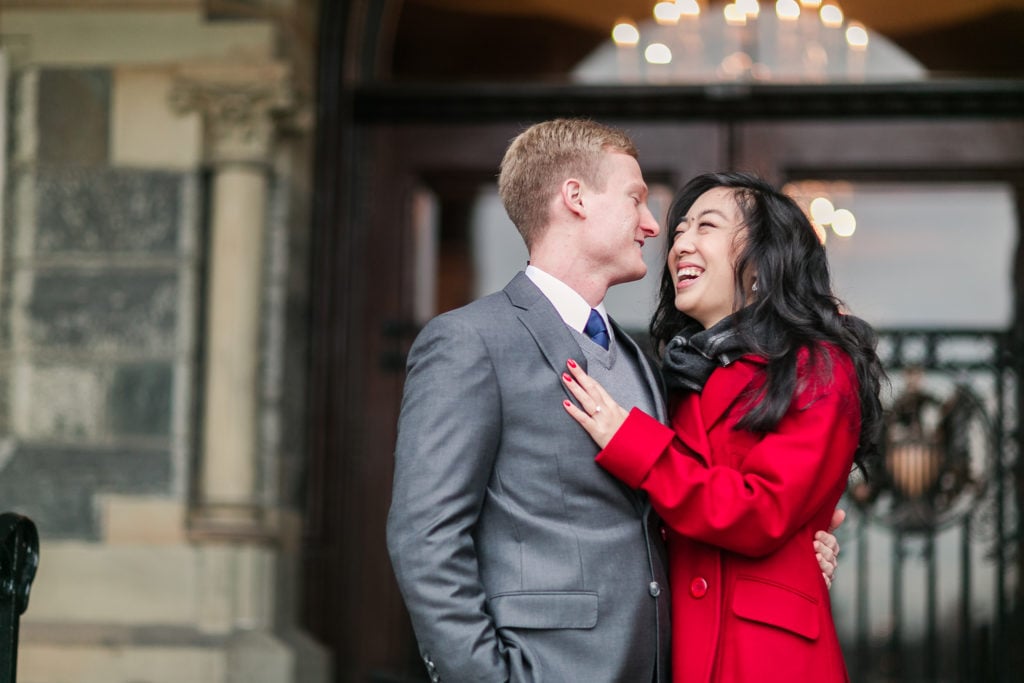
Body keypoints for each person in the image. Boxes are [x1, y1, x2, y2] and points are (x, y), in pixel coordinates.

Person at [386, 121, 841, 683]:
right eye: (636, 200)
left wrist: (793, 552)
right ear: (575, 198)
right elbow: (425, 536)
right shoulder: (470, 340)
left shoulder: (647, 365)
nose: (656, 227)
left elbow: (679, 507)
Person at [561, 171, 884, 683]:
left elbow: (762, 511)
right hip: (675, 652)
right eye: (680, 230)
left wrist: (633, 444)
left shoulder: (817, 366)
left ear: (761, 258)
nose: (681, 244)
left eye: (705, 227)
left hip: (768, 658)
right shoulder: (675, 380)